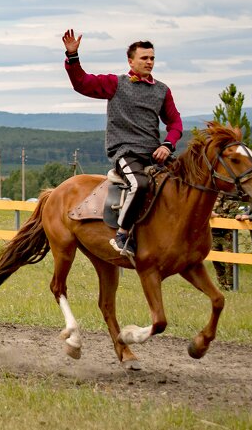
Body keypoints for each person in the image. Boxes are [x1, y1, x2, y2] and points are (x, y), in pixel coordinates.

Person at [62, 29, 182, 259]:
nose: (149, 62)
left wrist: (168, 144)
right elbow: (82, 83)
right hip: (125, 152)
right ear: (131, 61)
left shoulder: (162, 90)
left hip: (155, 153)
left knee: (184, 185)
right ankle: (123, 234)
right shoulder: (115, 84)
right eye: (144, 58)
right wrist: (73, 56)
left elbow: (175, 121)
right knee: (140, 185)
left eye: (152, 58)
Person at [210, 194, 240, 290]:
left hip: (226, 235)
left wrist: (217, 216)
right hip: (214, 235)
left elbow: (232, 218)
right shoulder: (210, 202)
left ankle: (231, 285)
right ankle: (222, 284)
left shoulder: (232, 204)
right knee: (216, 260)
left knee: (229, 261)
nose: (219, 194)